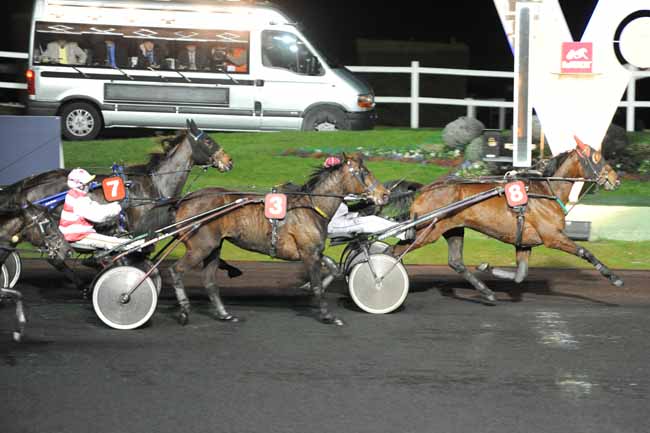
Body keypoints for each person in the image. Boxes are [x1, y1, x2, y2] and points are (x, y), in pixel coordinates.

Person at [323, 157, 409, 240]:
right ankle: (403, 233)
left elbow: (348, 196)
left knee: (372, 215)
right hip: (335, 224)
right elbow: (346, 196)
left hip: (343, 217)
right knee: (371, 221)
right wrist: (369, 196)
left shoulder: (329, 184)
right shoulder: (329, 186)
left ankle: (398, 226)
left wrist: (370, 196)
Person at [58, 168, 142, 250]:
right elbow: (98, 216)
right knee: (115, 242)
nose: (90, 184)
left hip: (78, 233)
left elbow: (97, 208)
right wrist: (119, 207)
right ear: (81, 185)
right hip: (77, 236)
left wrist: (117, 205)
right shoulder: (79, 200)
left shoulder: (76, 195)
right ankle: (140, 246)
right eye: (87, 183)